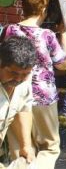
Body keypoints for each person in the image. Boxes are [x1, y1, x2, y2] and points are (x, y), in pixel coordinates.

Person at [3, 0, 66, 168]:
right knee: (50, 148)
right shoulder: (46, 35)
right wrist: (63, 36)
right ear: (43, 9)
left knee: (19, 149)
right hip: (43, 97)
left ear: (22, 6)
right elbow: (64, 65)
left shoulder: (9, 30)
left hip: (14, 94)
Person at [0, 36, 39, 166]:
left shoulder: (23, 83)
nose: (18, 79)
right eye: (13, 73)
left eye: (25, 74)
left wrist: (25, 145)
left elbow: (23, 109)